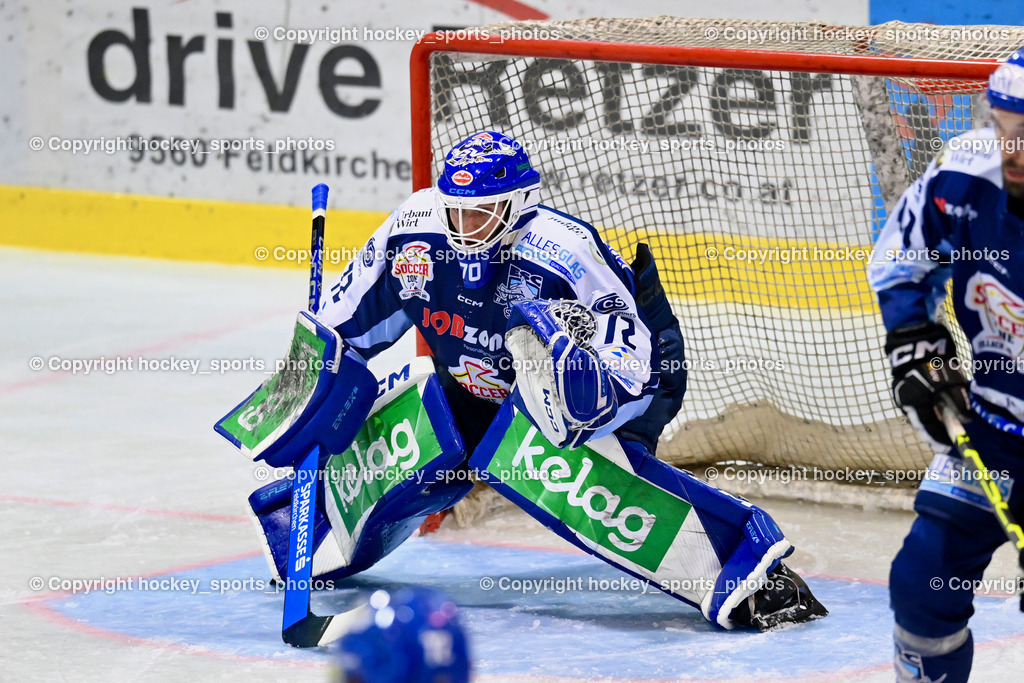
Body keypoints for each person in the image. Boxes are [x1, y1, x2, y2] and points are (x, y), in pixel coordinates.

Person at [246, 130, 825, 631]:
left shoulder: (562, 253)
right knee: (426, 423)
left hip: (618, 373)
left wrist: (580, 403)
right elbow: (342, 328)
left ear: (519, 203)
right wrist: (315, 382)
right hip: (480, 382)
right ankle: (306, 531)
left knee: (555, 465)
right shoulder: (413, 234)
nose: (464, 224)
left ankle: (750, 576)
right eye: (456, 209)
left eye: (482, 211)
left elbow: (637, 365)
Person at [868, 49, 1024, 682]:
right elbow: (903, 257)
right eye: (1007, 125)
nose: (1013, 150)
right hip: (987, 428)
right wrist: (916, 340)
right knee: (924, 583)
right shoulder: (964, 173)